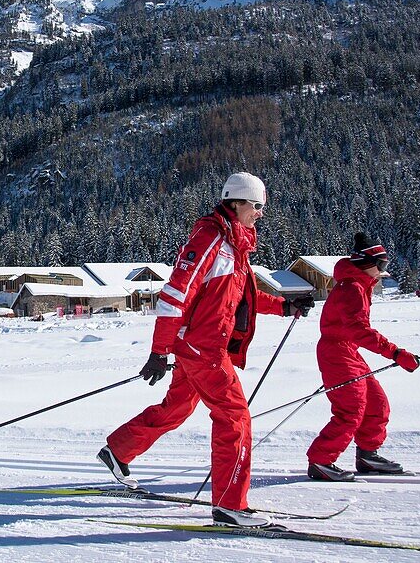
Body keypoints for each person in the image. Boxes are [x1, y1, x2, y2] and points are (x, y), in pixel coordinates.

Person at [97, 172, 315, 528]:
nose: (260, 213)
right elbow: (174, 295)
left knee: (178, 408)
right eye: (256, 206)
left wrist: (285, 306)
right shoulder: (211, 237)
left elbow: (243, 298)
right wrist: (158, 350)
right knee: (235, 418)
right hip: (203, 348)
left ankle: (118, 451)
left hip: (203, 345)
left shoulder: (234, 244)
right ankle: (231, 505)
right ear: (237, 202)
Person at [306, 233, 420, 482]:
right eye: (381, 265)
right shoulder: (352, 289)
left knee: (376, 403)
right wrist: (396, 353)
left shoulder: (358, 285)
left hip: (349, 351)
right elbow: (360, 331)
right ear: (366, 263)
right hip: (337, 352)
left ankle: (368, 455)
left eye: (385, 265)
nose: (382, 271)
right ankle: (321, 460)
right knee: (351, 409)